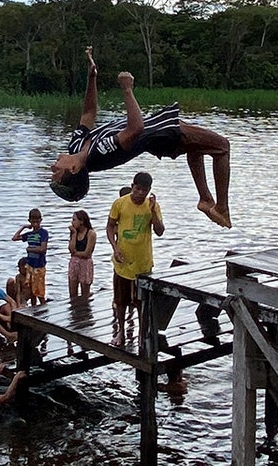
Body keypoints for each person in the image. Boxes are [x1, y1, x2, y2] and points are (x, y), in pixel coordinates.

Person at [49, 46, 232, 229]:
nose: (52, 167)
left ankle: (206, 199)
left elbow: (88, 112)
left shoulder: (76, 145)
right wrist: (127, 90)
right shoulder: (99, 154)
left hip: (159, 127)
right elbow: (135, 129)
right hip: (161, 135)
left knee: (199, 147)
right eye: (56, 173)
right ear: (73, 169)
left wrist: (92, 78)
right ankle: (221, 207)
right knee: (222, 147)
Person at [107, 171, 164, 347]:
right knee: (120, 301)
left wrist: (153, 211)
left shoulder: (152, 206)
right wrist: (115, 247)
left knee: (141, 303)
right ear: (132, 187)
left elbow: (160, 231)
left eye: (144, 190)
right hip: (123, 261)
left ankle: (141, 335)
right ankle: (121, 332)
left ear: (149, 190)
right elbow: (110, 227)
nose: (140, 194)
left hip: (143, 262)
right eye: (138, 189)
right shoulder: (120, 204)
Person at [11, 208, 48, 306]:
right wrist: (23, 227)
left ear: (40, 220)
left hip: (39, 266)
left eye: (37, 221)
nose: (35, 224)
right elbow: (15, 238)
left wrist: (30, 249)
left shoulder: (43, 233)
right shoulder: (30, 234)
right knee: (32, 291)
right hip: (30, 266)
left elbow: (43, 249)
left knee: (39, 291)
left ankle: (44, 306)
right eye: (33, 221)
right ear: (30, 221)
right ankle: (34, 308)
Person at [68, 209, 97, 300]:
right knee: (72, 294)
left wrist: (76, 253)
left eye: (74, 220)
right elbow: (71, 249)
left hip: (85, 264)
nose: (72, 222)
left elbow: (87, 253)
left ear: (81, 221)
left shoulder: (90, 233)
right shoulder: (74, 232)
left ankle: (84, 311)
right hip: (74, 263)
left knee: (85, 294)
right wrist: (74, 234)